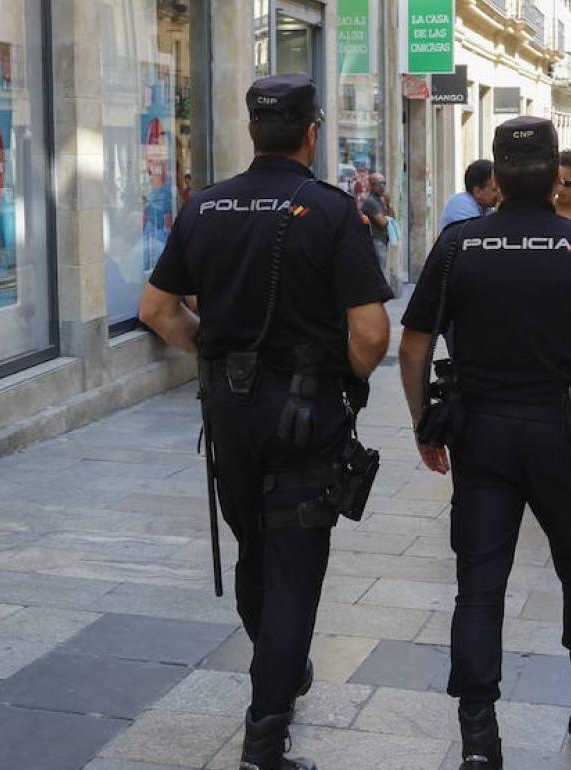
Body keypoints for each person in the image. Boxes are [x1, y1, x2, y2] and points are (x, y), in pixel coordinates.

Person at [139, 73, 393, 770]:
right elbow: (372, 334)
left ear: (253, 130)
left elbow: (156, 309)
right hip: (304, 414)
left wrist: (214, 352)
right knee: (294, 569)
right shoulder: (331, 210)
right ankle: (264, 739)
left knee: (254, 549)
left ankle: (278, 667)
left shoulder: (205, 205)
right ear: (311, 133)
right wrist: (342, 375)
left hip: (230, 414)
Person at [397, 116, 571, 770]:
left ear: (496, 173)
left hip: (481, 434)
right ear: (554, 177)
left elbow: (413, 345)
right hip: (569, 437)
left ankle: (478, 735)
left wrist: (424, 423)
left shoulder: (459, 245)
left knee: (479, 583)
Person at [439, 159, 499, 230]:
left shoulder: (484, 207)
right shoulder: (461, 203)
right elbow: (481, 232)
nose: (499, 193)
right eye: (494, 189)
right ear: (477, 192)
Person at [360, 172, 393, 267]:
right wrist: (388, 218)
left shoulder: (380, 200)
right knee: (379, 270)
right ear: (371, 186)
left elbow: (392, 217)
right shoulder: (371, 201)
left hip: (382, 240)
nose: (382, 187)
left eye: (384, 183)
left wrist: (388, 204)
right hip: (376, 240)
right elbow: (383, 223)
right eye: (379, 184)